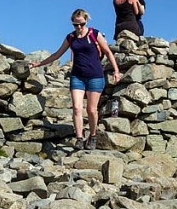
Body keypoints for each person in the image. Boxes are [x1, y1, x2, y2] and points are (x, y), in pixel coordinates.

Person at [31, 9, 121, 150]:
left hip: (95, 76)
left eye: (81, 24)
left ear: (86, 21)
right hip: (77, 76)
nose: (78, 27)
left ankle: (92, 136)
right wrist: (39, 64)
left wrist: (116, 70)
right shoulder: (71, 37)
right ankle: (79, 138)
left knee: (91, 110)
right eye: (75, 24)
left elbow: (108, 52)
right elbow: (57, 54)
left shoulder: (94, 34)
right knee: (77, 108)